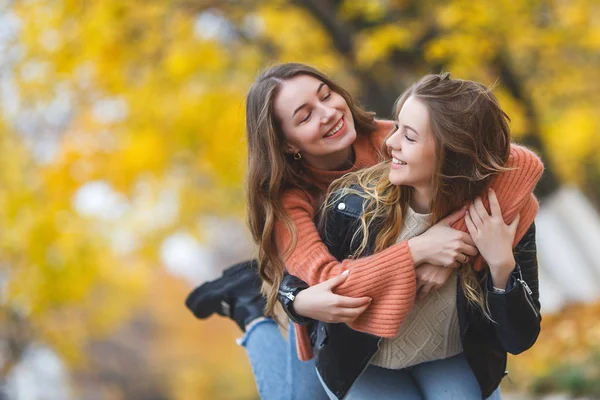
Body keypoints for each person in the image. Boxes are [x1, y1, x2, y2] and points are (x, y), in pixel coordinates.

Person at [186, 64, 543, 399]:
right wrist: (418, 251)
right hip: (318, 298)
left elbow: (511, 163)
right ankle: (249, 299)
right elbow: (326, 280)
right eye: (305, 115)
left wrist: (454, 248)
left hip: (412, 315)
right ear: (288, 144)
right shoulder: (287, 201)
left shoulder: (390, 139)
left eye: (325, 95)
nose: (327, 113)